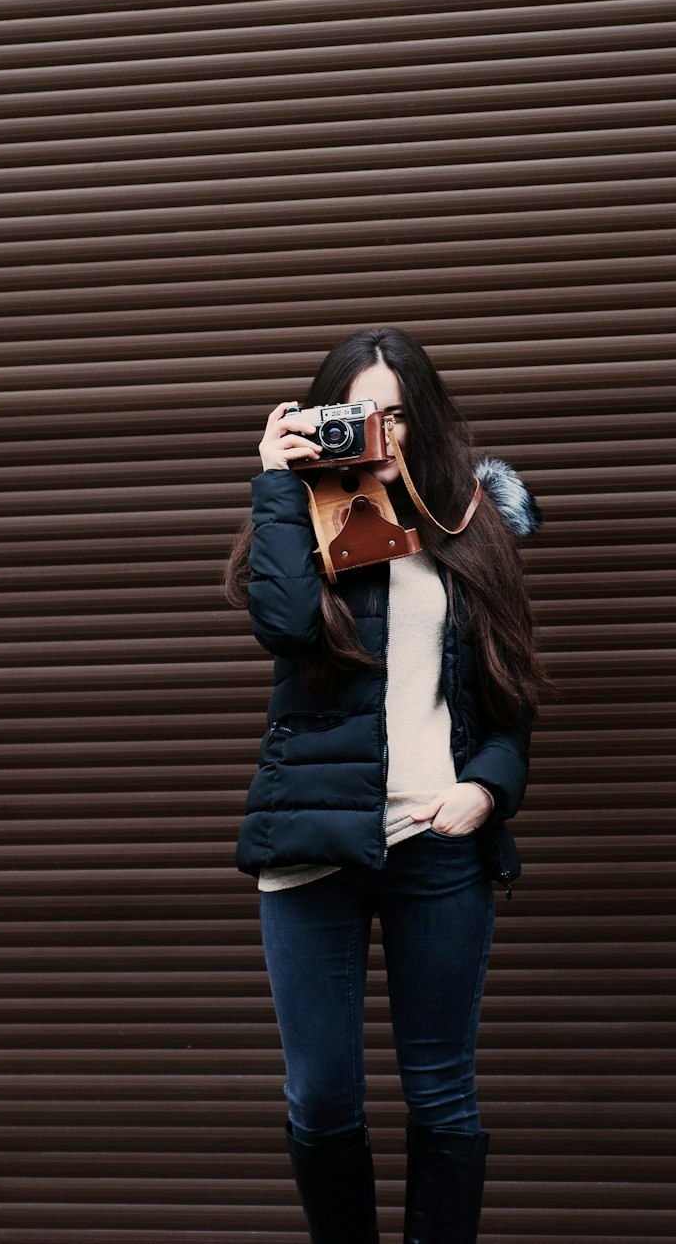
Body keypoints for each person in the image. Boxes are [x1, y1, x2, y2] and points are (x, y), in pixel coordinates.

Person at [222, 327, 553, 1243]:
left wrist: (484, 790)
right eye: (363, 414)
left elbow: (512, 692)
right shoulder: (311, 519)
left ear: (427, 419)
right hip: (313, 842)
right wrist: (277, 480)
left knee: (442, 1092)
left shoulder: (469, 524)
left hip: (437, 842)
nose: (385, 433)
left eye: (401, 413)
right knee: (322, 1094)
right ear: (328, 418)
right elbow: (288, 631)